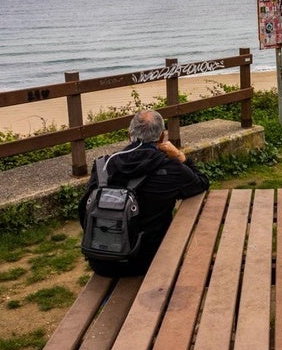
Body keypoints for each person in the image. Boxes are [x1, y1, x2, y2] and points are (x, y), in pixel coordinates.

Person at [78, 109, 209, 277]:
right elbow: (201, 183)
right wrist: (179, 156)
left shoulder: (104, 166)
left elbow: (84, 211)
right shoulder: (170, 168)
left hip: (102, 262)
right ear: (162, 137)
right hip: (150, 262)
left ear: (129, 134)